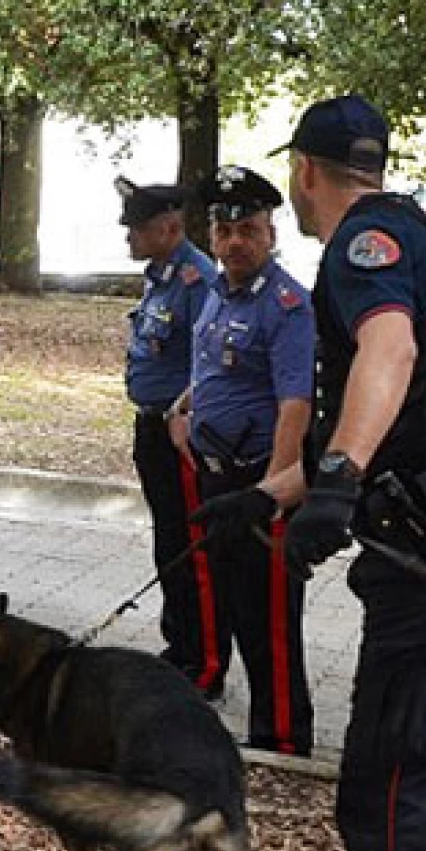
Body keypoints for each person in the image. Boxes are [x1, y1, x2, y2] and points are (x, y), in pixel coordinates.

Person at [195, 96, 426, 851]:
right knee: (408, 791)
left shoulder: (359, 245)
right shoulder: (404, 227)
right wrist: (273, 495)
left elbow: (391, 351)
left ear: (305, 173)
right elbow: (403, 412)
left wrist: (338, 477)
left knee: (388, 803)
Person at [171, 165, 315, 756]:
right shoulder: (214, 292)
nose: (235, 242)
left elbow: (295, 403)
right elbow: (213, 370)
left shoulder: (286, 306)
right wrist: (182, 410)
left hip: (258, 483)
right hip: (212, 474)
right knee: (229, 604)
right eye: (225, 231)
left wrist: (274, 493)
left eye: (248, 230)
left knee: (269, 628)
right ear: (211, 236)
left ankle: (281, 739)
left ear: (271, 234)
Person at [116, 176, 224, 699]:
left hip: (181, 431)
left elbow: (210, 363)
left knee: (192, 549)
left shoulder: (196, 279)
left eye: (136, 229)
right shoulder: (160, 277)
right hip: (152, 425)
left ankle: (205, 662)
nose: (128, 238)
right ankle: (180, 646)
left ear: (169, 227)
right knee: (168, 540)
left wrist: (184, 413)